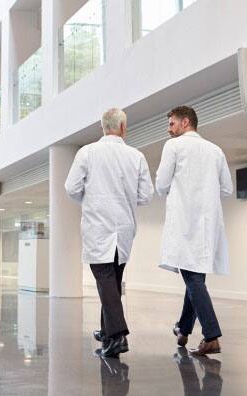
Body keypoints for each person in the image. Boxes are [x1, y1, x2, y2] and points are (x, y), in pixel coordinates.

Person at [65, 108, 154, 358]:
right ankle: (107, 332)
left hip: (98, 227)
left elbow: (71, 188)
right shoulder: (136, 156)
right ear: (123, 128)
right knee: (112, 282)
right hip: (124, 230)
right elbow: (145, 195)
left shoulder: (87, 152)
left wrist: (89, 199)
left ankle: (117, 336)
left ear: (102, 127)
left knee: (105, 281)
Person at [155, 106, 232, 356]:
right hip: (207, 225)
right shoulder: (215, 150)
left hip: (185, 222)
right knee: (195, 278)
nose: (169, 129)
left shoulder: (174, 147)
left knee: (193, 279)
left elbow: (162, 184)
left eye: (171, 124)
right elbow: (227, 189)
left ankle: (211, 336)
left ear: (185, 122)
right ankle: (183, 327)